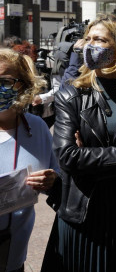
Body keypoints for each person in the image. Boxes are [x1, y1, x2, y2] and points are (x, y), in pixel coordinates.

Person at [42, 14, 116, 272]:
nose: (89, 45)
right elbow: (68, 157)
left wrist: (91, 155)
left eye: (100, 39)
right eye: (89, 38)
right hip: (84, 209)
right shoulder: (71, 94)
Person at [0, 49, 59, 272]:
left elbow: (56, 177)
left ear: (23, 85)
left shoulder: (36, 127)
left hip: (13, 256)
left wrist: (52, 181)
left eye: (4, 81)